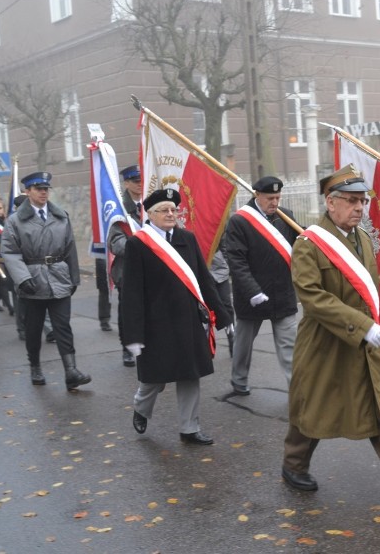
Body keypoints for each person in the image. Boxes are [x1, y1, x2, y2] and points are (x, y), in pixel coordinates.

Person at [282, 165, 380, 506]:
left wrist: (376, 323)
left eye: (363, 201)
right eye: (352, 201)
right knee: (313, 408)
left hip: (363, 344)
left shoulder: (365, 240)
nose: (359, 208)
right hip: (324, 346)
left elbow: (371, 289)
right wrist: (362, 325)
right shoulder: (308, 245)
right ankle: (294, 464)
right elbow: (313, 298)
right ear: (331, 203)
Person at [121, 188, 230, 443]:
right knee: (155, 379)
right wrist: (134, 335)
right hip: (155, 324)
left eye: (173, 210)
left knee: (190, 375)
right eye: (164, 210)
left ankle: (189, 428)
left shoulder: (187, 239)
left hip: (188, 322)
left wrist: (222, 315)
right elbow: (132, 293)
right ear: (150, 214)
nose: (171, 214)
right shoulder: (138, 243)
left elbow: (204, 280)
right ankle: (141, 407)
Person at [1, 171, 90, 391]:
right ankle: (35, 366)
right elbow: (10, 253)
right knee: (34, 328)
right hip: (32, 279)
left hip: (59, 277)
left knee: (62, 326)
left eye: (46, 189)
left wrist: (74, 278)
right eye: (38, 189)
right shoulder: (14, 221)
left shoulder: (61, 216)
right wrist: (22, 278)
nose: (43, 193)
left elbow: (70, 248)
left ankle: (71, 371)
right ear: (28, 191)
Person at [224, 176, 300, 395]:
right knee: (243, 344)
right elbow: (236, 261)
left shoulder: (286, 217)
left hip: (283, 292)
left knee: (289, 347)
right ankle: (239, 381)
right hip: (252, 295)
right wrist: (252, 291)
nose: (274, 202)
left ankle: (297, 394)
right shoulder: (240, 221)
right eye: (270, 198)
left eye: (277, 197)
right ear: (257, 195)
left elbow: (300, 244)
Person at [106, 164, 142, 366]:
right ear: (126, 183)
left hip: (151, 269)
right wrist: (139, 246)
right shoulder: (118, 209)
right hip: (127, 269)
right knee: (128, 311)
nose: (139, 184)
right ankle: (127, 347)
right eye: (135, 181)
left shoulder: (151, 204)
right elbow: (115, 243)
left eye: (141, 180)